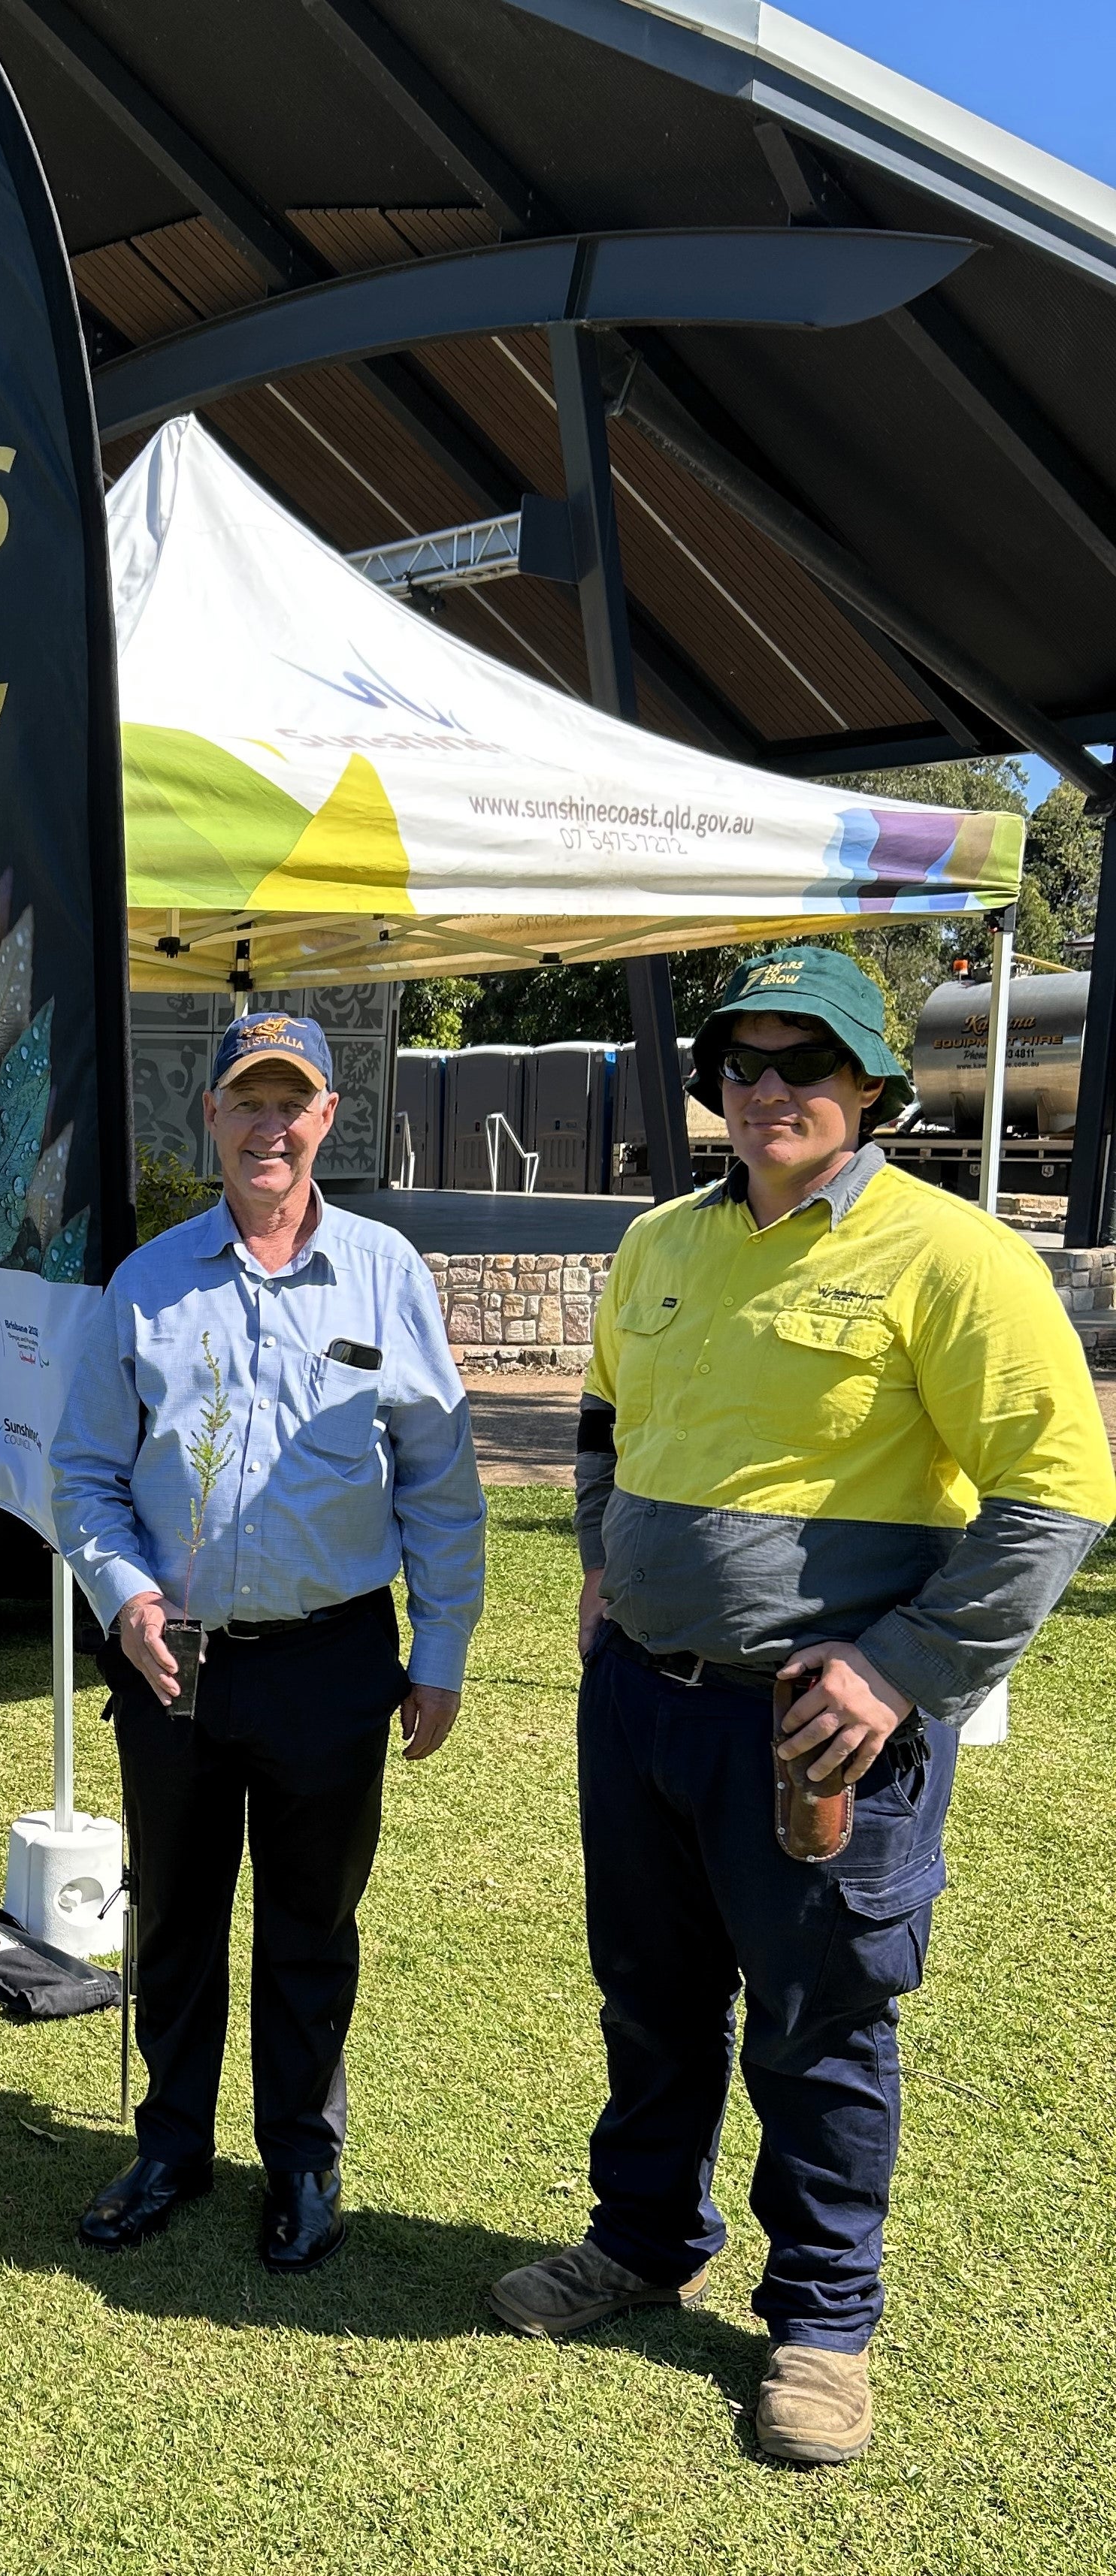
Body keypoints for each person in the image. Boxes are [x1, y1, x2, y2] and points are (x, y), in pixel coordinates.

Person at [489, 947, 1114, 2463]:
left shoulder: (953, 1256)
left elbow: (1058, 1487)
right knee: (649, 1993)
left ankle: (824, 2320)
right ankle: (643, 2238)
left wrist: (900, 1667)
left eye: (807, 1062)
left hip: (817, 1729)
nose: (770, 1087)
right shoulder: (658, 1242)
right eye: (744, 1061)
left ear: (876, 1086)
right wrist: (603, 1555)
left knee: (820, 2022)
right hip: (640, 1702)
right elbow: (604, 1419)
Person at [52, 1010, 485, 2272]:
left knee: (310, 1922)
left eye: (292, 1102)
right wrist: (124, 1594)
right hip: (170, 1655)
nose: (269, 1126)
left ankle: (300, 2155)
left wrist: (441, 1646)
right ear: (212, 1116)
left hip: (330, 1657)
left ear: (328, 1120)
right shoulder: (148, 1282)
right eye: (248, 1100)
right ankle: (171, 2142)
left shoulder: (385, 1273)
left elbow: (438, 1480)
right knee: (175, 1915)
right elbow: (83, 1472)